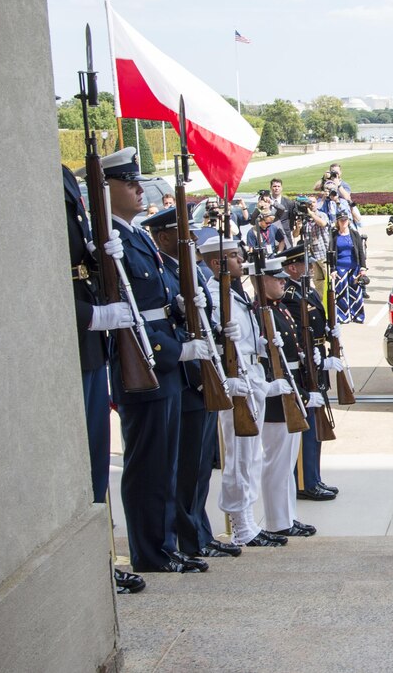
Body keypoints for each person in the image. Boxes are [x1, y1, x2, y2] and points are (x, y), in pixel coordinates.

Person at [101, 147, 212, 575]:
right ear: (106, 188)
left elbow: (157, 299)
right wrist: (173, 351)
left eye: (136, 180)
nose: (138, 187)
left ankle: (163, 545)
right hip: (146, 364)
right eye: (128, 182)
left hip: (160, 361)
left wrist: (184, 306)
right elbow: (127, 310)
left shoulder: (134, 235)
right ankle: (151, 551)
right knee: (148, 465)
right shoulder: (110, 239)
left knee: (165, 463)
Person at [63, 164, 145, 594]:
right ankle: (93, 566)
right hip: (77, 342)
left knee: (97, 466)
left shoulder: (60, 177)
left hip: (91, 350)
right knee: (86, 468)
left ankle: (100, 564)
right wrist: (90, 315)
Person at [142, 209, 242, 561]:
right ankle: (189, 538)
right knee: (186, 467)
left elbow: (203, 320)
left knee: (200, 466)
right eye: (182, 235)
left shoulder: (191, 272)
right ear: (164, 237)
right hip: (183, 377)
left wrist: (220, 332)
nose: (191, 243)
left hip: (201, 377)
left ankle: (199, 531)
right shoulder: (163, 271)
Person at [200, 234, 289, 549]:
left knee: (252, 455)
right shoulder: (213, 295)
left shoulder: (235, 292)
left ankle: (249, 521)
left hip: (252, 377)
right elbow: (213, 343)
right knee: (239, 456)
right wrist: (227, 378)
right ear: (216, 262)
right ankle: (241, 527)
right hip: (237, 384)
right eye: (235, 256)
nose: (241, 260)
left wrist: (263, 345)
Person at [256, 260, 319, 538]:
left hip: (292, 388)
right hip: (276, 394)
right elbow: (266, 362)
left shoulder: (278, 308)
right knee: (277, 462)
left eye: (283, 279)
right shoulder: (260, 313)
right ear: (262, 281)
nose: (283, 283)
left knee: (288, 460)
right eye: (277, 279)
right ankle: (277, 522)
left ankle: (288, 516)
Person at [277, 245, 340, 502]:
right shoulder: (290, 294)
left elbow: (315, 324)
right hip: (307, 367)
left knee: (315, 426)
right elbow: (298, 334)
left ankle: (313, 477)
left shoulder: (305, 288)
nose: (311, 267)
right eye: (305, 263)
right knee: (307, 427)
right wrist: (318, 357)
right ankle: (305, 482)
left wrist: (329, 333)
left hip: (316, 362)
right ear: (292, 267)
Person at [332, 210, 368, 324]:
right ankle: (343, 316)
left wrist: (363, 267)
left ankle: (357, 315)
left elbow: (361, 251)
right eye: (341, 220)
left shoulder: (354, 233)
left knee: (356, 292)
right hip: (340, 267)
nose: (343, 222)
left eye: (345, 220)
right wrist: (332, 269)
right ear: (337, 222)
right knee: (341, 293)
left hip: (354, 266)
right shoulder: (334, 235)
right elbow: (331, 252)